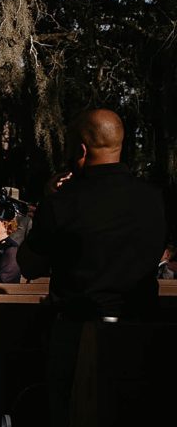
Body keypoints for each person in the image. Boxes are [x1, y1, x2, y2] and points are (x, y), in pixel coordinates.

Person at [18, 109, 167, 318]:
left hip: (77, 328)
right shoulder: (155, 198)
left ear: (81, 150)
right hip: (142, 328)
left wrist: (47, 204)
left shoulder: (62, 202)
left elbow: (30, 265)